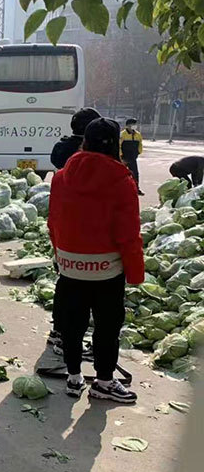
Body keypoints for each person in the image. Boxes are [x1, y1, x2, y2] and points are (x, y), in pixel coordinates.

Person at [49, 118, 144, 404]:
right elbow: (129, 234)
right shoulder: (122, 181)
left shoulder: (61, 177)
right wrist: (136, 273)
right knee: (107, 327)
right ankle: (103, 382)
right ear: (115, 145)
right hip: (106, 270)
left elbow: (54, 222)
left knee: (72, 324)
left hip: (70, 266)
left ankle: (74, 377)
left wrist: (60, 255)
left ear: (85, 141)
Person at [47, 107, 101, 352]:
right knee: (90, 289)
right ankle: (74, 339)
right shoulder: (99, 157)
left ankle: (59, 331)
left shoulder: (62, 152)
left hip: (64, 227)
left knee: (66, 282)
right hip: (91, 233)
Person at [120, 118, 144, 195]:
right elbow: (119, 145)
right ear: (127, 126)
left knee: (135, 173)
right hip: (124, 157)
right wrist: (121, 155)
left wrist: (138, 152)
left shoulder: (138, 134)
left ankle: (136, 189)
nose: (134, 126)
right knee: (121, 173)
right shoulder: (122, 134)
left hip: (133, 157)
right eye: (132, 125)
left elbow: (140, 144)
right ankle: (119, 189)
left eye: (135, 125)